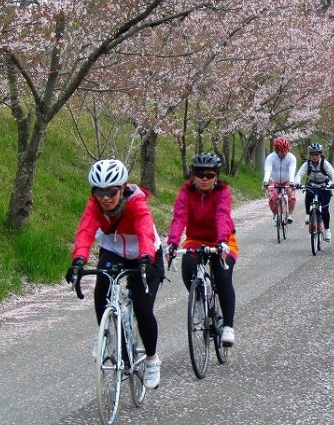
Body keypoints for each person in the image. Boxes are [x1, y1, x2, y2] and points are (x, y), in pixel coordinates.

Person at [66, 159, 165, 389]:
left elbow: (144, 229)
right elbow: (85, 230)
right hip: (113, 250)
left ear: (122, 188)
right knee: (102, 290)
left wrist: (146, 258)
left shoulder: (136, 202)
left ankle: (151, 360)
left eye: (111, 191)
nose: (105, 197)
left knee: (142, 307)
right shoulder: (94, 205)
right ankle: (107, 334)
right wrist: (78, 260)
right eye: (99, 191)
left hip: (145, 251)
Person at [166, 152, 238, 347]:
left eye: (209, 175)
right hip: (196, 239)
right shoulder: (186, 192)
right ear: (193, 175)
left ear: (216, 176)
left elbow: (222, 216)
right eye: (199, 174)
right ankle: (199, 299)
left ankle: (228, 326)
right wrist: (172, 243)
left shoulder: (222, 192)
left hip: (223, 240)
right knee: (187, 268)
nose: (204, 179)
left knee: (223, 278)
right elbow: (179, 217)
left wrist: (222, 241)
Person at [293, 143, 334, 242]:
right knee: (308, 194)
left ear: (320, 155)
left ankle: (327, 230)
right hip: (312, 185)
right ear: (310, 155)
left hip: (324, 186)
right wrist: (297, 183)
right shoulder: (307, 164)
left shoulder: (324, 163)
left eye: (317, 155)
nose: (315, 157)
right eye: (313, 155)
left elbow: (333, 174)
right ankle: (308, 215)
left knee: (325, 210)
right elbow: (299, 175)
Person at [262, 136, 297, 224]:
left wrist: (292, 182)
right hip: (274, 181)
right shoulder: (270, 158)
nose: (284, 153)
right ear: (277, 150)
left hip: (287, 180)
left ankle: (290, 214)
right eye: (282, 151)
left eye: (286, 150)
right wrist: (265, 181)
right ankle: (276, 215)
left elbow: (291, 170)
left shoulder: (291, 158)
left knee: (291, 195)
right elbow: (268, 170)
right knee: (272, 200)